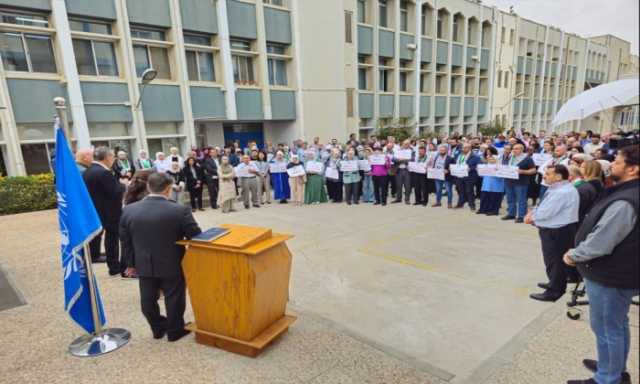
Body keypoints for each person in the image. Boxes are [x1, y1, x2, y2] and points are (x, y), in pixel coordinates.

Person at [564, 145, 639, 384]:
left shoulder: (627, 200)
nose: (611, 164)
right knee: (617, 324)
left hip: (611, 275)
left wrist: (574, 255)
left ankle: (607, 378)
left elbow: (602, 242)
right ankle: (614, 367)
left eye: (617, 161)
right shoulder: (629, 192)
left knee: (608, 329)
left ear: (633, 169)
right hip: (622, 274)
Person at [119, 172, 202, 342]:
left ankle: (157, 328)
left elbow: (125, 241)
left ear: (149, 187)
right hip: (172, 261)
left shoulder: (128, 210)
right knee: (174, 297)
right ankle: (175, 330)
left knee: (147, 298)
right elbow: (196, 235)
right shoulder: (179, 210)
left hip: (143, 263)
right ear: (168, 189)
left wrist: (129, 264)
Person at [525, 164, 579, 302]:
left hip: (557, 231)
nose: (545, 176)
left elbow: (546, 212)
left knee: (554, 261)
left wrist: (532, 217)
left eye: (548, 174)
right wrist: (534, 213)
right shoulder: (558, 188)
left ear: (559, 177)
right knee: (555, 260)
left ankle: (554, 291)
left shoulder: (562, 192)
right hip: (557, 229)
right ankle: (554, 282)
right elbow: (542, 206)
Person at [83, 147, 126, 275]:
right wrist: (123, 184)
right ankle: (114, 266)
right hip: (109, 211)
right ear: (107, 157)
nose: (113, 159)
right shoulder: (103, 172)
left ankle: (109, 262)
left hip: (97, 209)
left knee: (107, 237)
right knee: (112, 238)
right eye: (113, 156)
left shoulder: (88, 171)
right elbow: (115, 191)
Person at [502, 144, 536, 223]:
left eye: (516, 149)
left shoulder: (527, 158)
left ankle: (521, 216)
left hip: (521, 182)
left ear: (522, 150)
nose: (514, 150)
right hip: (508, 181)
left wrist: (523, 171)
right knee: (510, 199)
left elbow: (533, 170)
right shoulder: (510, 157)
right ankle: (511, 214)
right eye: (513, 148)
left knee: (521, 199)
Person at [453, 143, 481, 211]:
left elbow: (479, 166)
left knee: (469, 191)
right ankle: (460, 204)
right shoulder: (458, 155)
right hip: (459, 175)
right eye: (463, 148)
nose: (463, 149)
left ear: (469, 148)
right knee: (461, 190)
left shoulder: (475, 156)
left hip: (470, 176)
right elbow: (455, 163)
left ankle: (472, 205)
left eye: (465, 148)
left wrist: (471, 168)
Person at [477, 146, 504, 216]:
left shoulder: (498, 160)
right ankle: (483, 209)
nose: (488, 155)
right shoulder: (487, 162)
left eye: (489, 153)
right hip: (487, 182)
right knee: (485, 196)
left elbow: (500, 172)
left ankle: (493, 210)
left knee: (494, 197)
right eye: (487, 153)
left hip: (496, 182)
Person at [392, 140, 412, 204]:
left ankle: (407, 199)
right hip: (399, 170)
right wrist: (398, 159)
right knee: (398, 185)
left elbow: (412, 159)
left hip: (407, 170)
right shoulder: (397, 151)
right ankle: (398, 198)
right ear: (402, 144)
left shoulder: (411, 151)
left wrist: (404, 159)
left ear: (409, 144)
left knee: (407, 185)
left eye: (407, 144)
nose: (405, 145)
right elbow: (393, 159)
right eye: (404, 144)